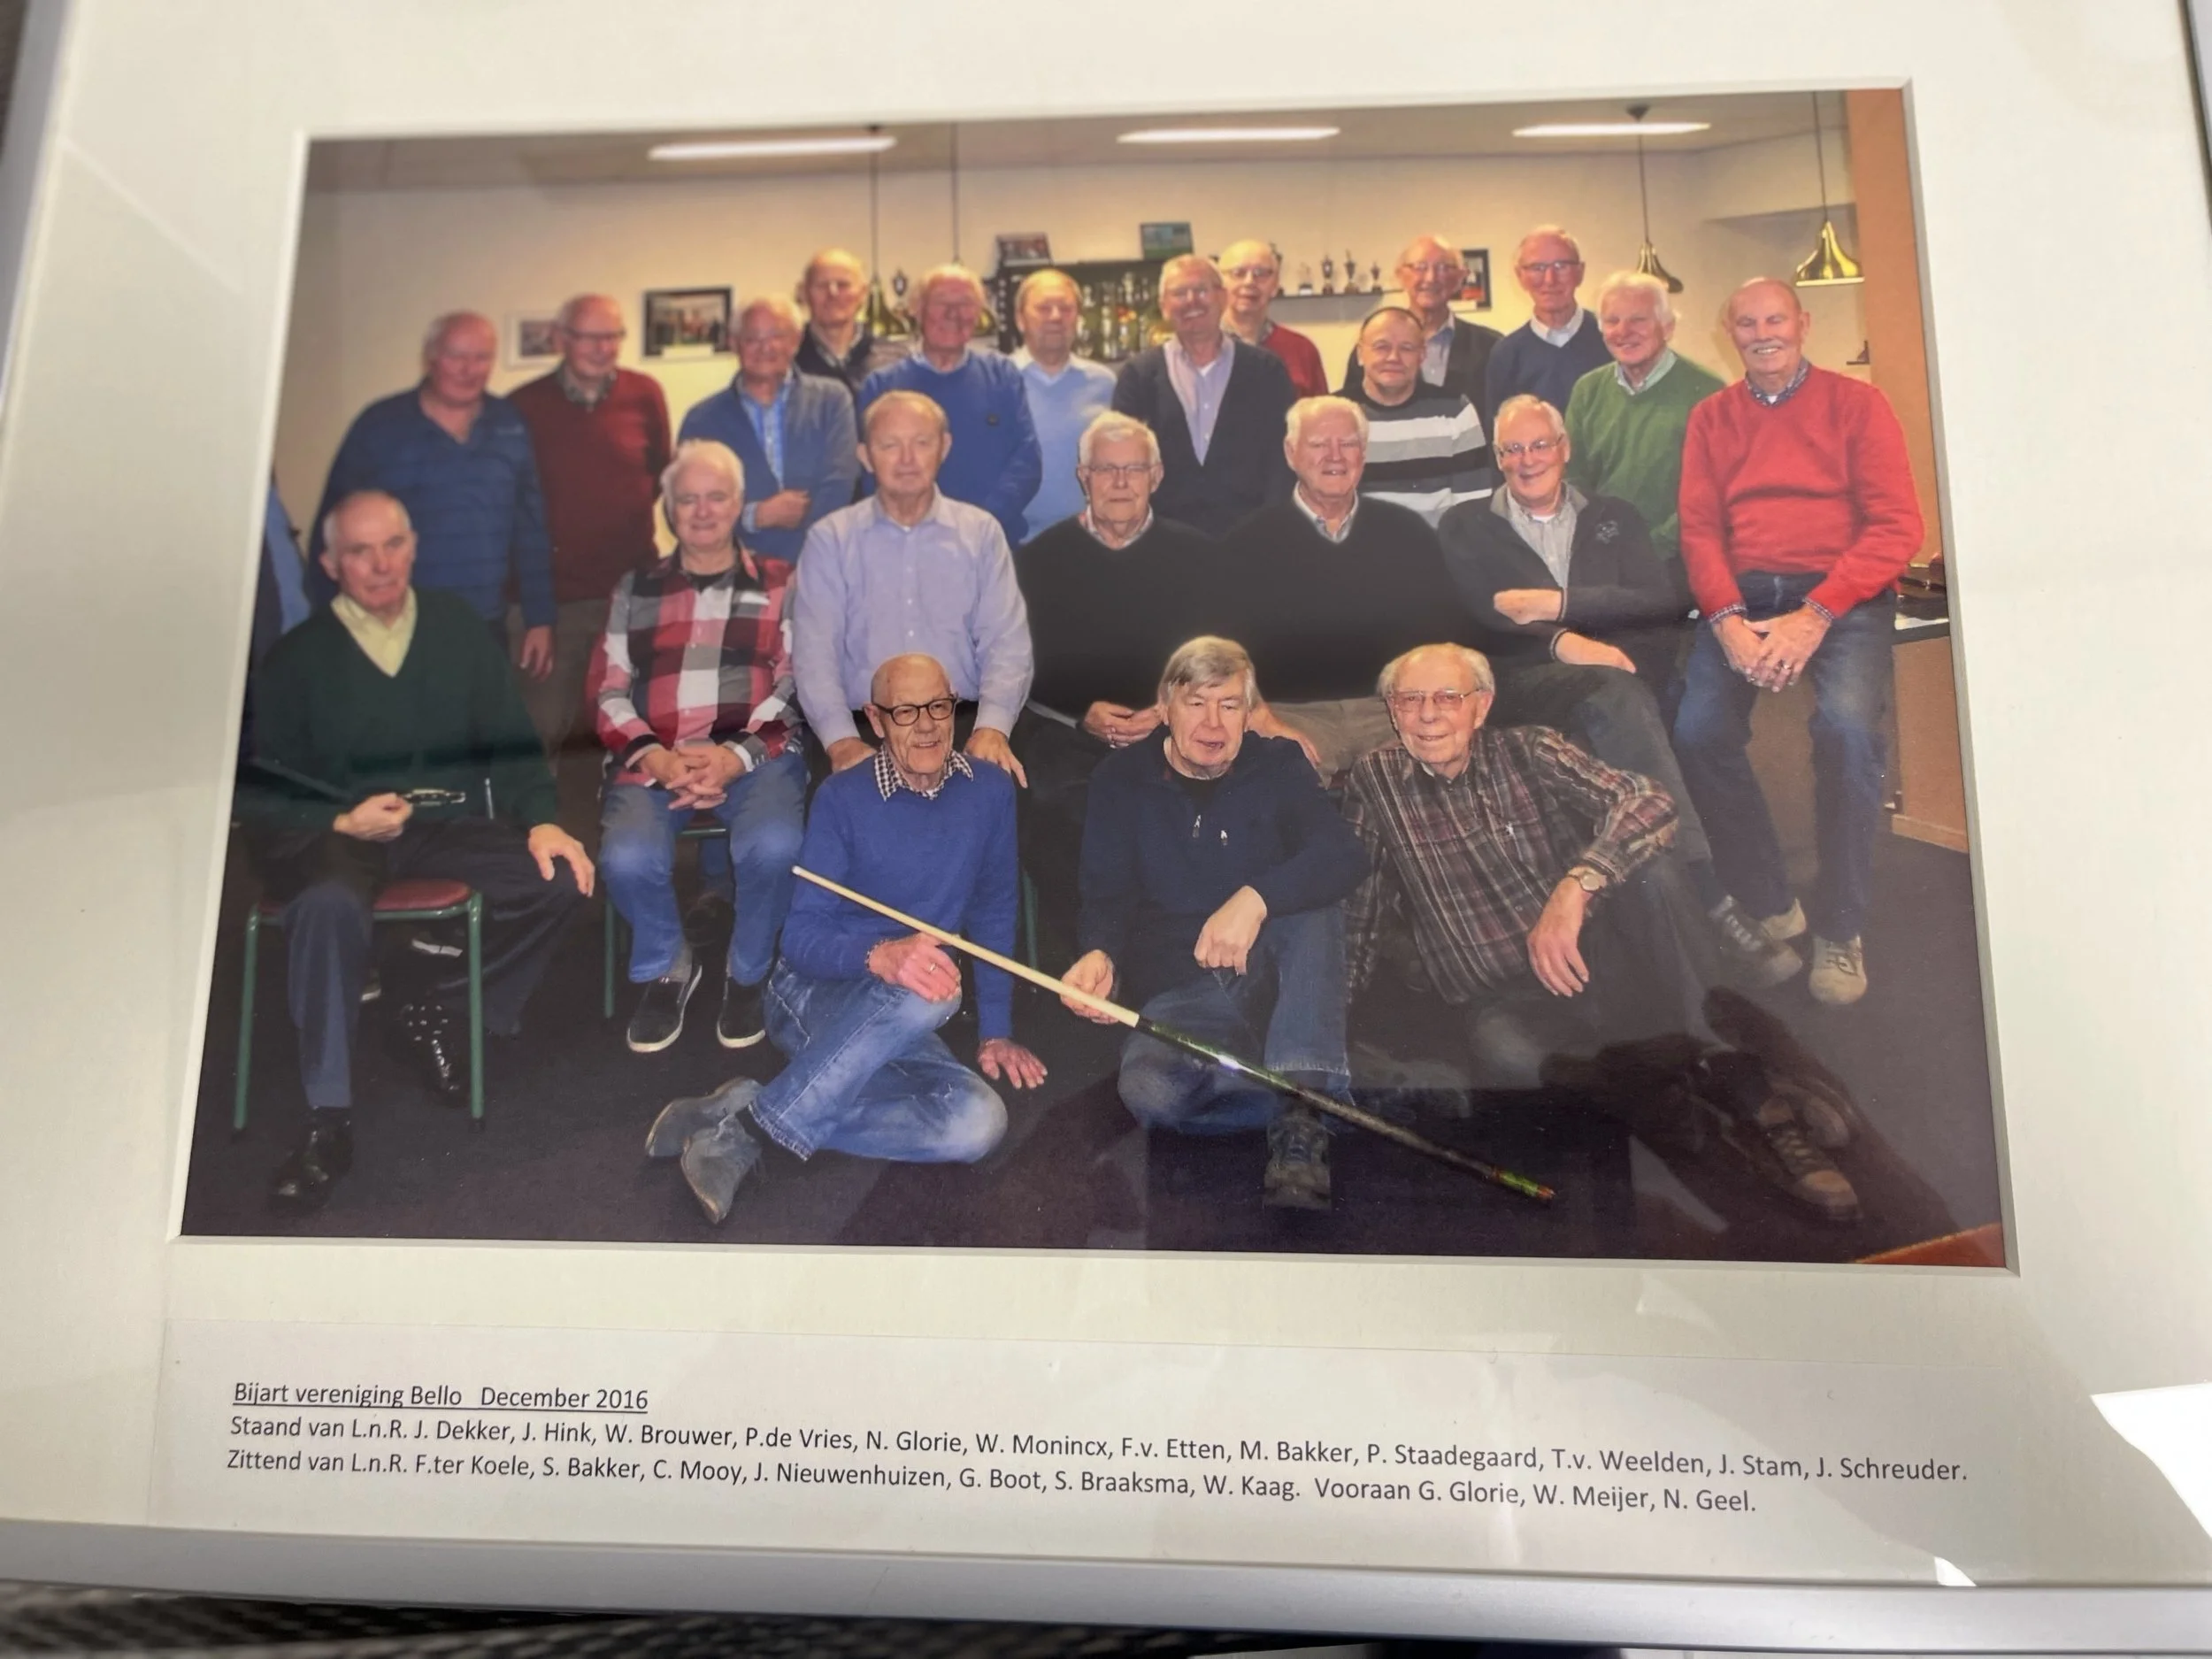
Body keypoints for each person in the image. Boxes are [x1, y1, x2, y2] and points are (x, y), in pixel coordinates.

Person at [1342, 644, 1857, 1221]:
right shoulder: (1373, 783)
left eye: (1448, 697)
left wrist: (1576, 887)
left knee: (1658, 874)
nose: (1428, 715)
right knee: (1505, 1054)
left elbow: (1649, 800)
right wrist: (1325, 1023)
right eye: (1410, 699)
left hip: (1596, 958)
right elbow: (1359, 906)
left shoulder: (1530, 749)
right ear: (1392, 710)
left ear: (1481, 706)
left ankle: (1747, 1092)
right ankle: (1684, 1090)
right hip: (1505, 998)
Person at [237, 490, 593, 1216]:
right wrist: (340, 818)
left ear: (414, 547)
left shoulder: (456, 627)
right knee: (327, 907)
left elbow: (511, 740)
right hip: (344, 837)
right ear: (331, 564)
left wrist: (542, 820)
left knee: (559, 880)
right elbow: (258, 791)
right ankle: (328, 1118)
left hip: (443, 824)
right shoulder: (296, 659)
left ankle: (438, 1008)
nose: (380, 564)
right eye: (360, 551)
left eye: (393, 544)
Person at [644, 654, 1047, 1225]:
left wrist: (997, 1031)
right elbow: (801, 938)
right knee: (932, 988)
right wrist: (878, 956)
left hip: (904, 1009)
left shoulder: (989, 792)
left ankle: (753, 1110)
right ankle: (745, 1139)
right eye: (905, 712)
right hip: (812, 992)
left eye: (938, 706)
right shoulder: (842, 798)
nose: (927, 726)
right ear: (876, 720)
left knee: (979, 1123)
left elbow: (995, 909)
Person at [1438, 396, 1798, 986]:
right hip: (1520, 683)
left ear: (1565, 449)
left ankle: (1669, 924)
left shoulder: (1615, 517)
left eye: (1540, 444)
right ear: (1497, 458)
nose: (1527, 460)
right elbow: (1475, 617)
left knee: (1632, 701)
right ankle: (1712, 896)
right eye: (1512, 449)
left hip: (1615, 683)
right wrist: (1566, 644)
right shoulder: (1466, 526)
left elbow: (1654, 602)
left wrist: (1558, 605)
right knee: (1621, 695)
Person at [1673, 278, 1924, 1006]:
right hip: (1744, 595)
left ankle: (1840, 927)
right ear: (1730, 334)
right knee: (1697, 732)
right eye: (1747, 323)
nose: (1763, 334)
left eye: (1775, 319)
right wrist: (1726, 620)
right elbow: (1700, 531)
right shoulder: (1711, 418)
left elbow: (1898, 528)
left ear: (1803, 323)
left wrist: (1815, 615)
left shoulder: (1859, 406)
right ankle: (1768, 895)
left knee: (1846, 732)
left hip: (1841, 595)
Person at [1062, 636, 1368, 1210]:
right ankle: (1320, 1088)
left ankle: (1301, 1123)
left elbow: (1344, 855)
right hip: (1180, 990)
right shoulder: (1120, 778)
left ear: (1249, 713)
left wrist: (1255, 898)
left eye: (1229, 705)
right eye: (1196, 703)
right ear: (1164, 707)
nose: (1213, 723)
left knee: (1312, 906)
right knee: (1150, 1095)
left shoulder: (1278, 763)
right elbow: (1106, 894)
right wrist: (1099, 953)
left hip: (1271, 978)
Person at [589, 440, 809, 1056]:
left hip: (756, 755)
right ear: (669, 509)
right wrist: (656, 757)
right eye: (688, 499)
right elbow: (607, 691)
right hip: (654, 758)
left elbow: (798, 682)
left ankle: (749, 970)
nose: (703, 511)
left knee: (776, 845)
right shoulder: (635, 589)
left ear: (738, 504)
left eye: (717, 497)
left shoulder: (783, 581)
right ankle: (668, 965)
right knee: (626, 858)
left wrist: (734, 756)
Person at [1013, 411, 1216, 943]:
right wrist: (1082, 714)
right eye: (1106, 469)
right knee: (1063, 815)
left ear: (1157, 476)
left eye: (1134, 469)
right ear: (1084, 477)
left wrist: (1169, 709)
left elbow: (1217, 652)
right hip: (1069, 729)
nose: (1121, 482)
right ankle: (1086, 955)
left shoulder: (1197, 554)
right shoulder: (1041, 559)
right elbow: (1024, 659)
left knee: (1194, 807)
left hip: (1177, 724)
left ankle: (1171, 955)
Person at [1210, 396, 1468, 781]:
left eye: (1347, 443)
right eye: (1318, 444)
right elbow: (1219, 649)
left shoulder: (1408, 533)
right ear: (1291, 453)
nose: (1335, 456)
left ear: (1363, 454)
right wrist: (1260, 717)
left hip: (1390, 712)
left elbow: (1445, 633)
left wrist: (1425, 710)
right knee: (1275, 782)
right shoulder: (1247, 543)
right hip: (1291, 713)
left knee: (1437, 783)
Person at [789, 391, 1033, 785]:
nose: (907, 459)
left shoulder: (981, 533)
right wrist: (840, 742)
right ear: (865, 455)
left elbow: (1007, 642)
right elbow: (814, 656)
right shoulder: (830, 540)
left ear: (944, 447)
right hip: (864, 730)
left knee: (1007, 804)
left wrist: (993, 728)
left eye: (921, 442)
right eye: (890, 445)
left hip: (964, 725)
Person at [310, 312, 555, 682]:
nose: (469, 370)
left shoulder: (511, 423)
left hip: (484, 625)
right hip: (394, 627)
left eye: (481, 357)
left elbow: (530, 528)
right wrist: (327, 623)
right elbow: (331, 533)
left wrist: (540, 618)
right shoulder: (378, 427)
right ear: (430, 357)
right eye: (456, 356)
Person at [506, 294, 672, 759]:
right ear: (560, 339)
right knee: (541, 732)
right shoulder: (522, 407)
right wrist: (535, 616)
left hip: (631, 597)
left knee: (637, 728)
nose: (603, 348)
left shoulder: (645, 394)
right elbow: (513, 510)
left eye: (613, 337)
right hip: (551, 607)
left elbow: (657, 477)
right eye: (589, 337)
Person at [1110, 254, 1296, 534]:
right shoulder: (1139, 376)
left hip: (1251, 540)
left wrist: (1272, 532)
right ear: (1164, 307)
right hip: (1164, 542)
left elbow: (1283, 461)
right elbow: (1123, 462)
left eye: (1201, 290)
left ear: (1222, 297)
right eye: (1179, 293)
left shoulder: (1267, 371)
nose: (1191, 301)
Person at [856, 265, 1041, 548]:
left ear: (978, 313)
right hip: (909, 546)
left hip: (992, 543)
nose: (953, 314)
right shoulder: (882, 385)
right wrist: (917, 528)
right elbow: (872, 472)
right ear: (917, 309)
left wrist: (980, 524)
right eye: (941, 302)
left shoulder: (1002, 375)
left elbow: (1026, 460)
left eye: (966, 303)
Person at [1563, 271, 1725, 581]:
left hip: (1681, 564)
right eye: (1612, 321)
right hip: (1604, 559)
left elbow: (1712, 493)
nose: (1623, 331)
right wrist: (1603, 543)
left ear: (1668, 327)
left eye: (1638, 320)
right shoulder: (1587, 390)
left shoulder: (1708, 391)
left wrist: (1650, 548)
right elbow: (1574, 478)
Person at [678, 294, 858, 565]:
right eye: (752, 338)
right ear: (734, 344)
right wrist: (754, 516)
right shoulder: (702, 420)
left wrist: (808, 558)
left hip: (823, 565)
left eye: (777, 336)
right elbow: (683, 508)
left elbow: (840, 483)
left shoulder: (832, 401)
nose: (765, 348)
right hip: (734, 571)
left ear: (796, 341)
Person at [1344, 305, 1494, 525]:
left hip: (1438, 544)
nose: (1393, 357)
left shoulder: (1456, 411)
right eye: (1381, 347)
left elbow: (1473, 506)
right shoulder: (1335, 415)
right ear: (1360, 354)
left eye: (1406, 348)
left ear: (1422, 355)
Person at [1340, 235, 1503, 428]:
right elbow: (1351, 418)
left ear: (1460, 278)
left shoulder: (1491, 347)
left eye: (1443, 268)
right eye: (1420, 267)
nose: (1431, 278)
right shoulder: (1373, 349)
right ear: (1400, 275)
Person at [1010, 268, 1116, 541]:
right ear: (1020, 320)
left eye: (1066, 309)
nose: (1056, 317)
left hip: (1090, 543)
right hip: (1016, 545)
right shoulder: (1000, 380)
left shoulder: (1104, 383)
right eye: (1044, 308)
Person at [1484, 227, 1612, 420]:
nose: (1550, 280)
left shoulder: (1612, 337)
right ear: (1520, 276)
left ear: (1580, 272)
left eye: (1561, 266)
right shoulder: (1506, 354)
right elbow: (1499, 432)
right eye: (1537, 268)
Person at [792, 247, 908, 396]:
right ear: (804, 292)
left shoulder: (895, 360)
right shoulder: (788, 359)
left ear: (863, 293)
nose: (833, 293)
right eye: (822, 285)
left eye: (843, 285)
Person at [1218, 239, 1327, 397]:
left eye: (1260, 274)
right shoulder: (1199, 348)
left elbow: (1322, 411)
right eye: (1238, 273)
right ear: (1220, 284)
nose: (1249, 282)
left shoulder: (1302, 349)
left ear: (1275, 285)